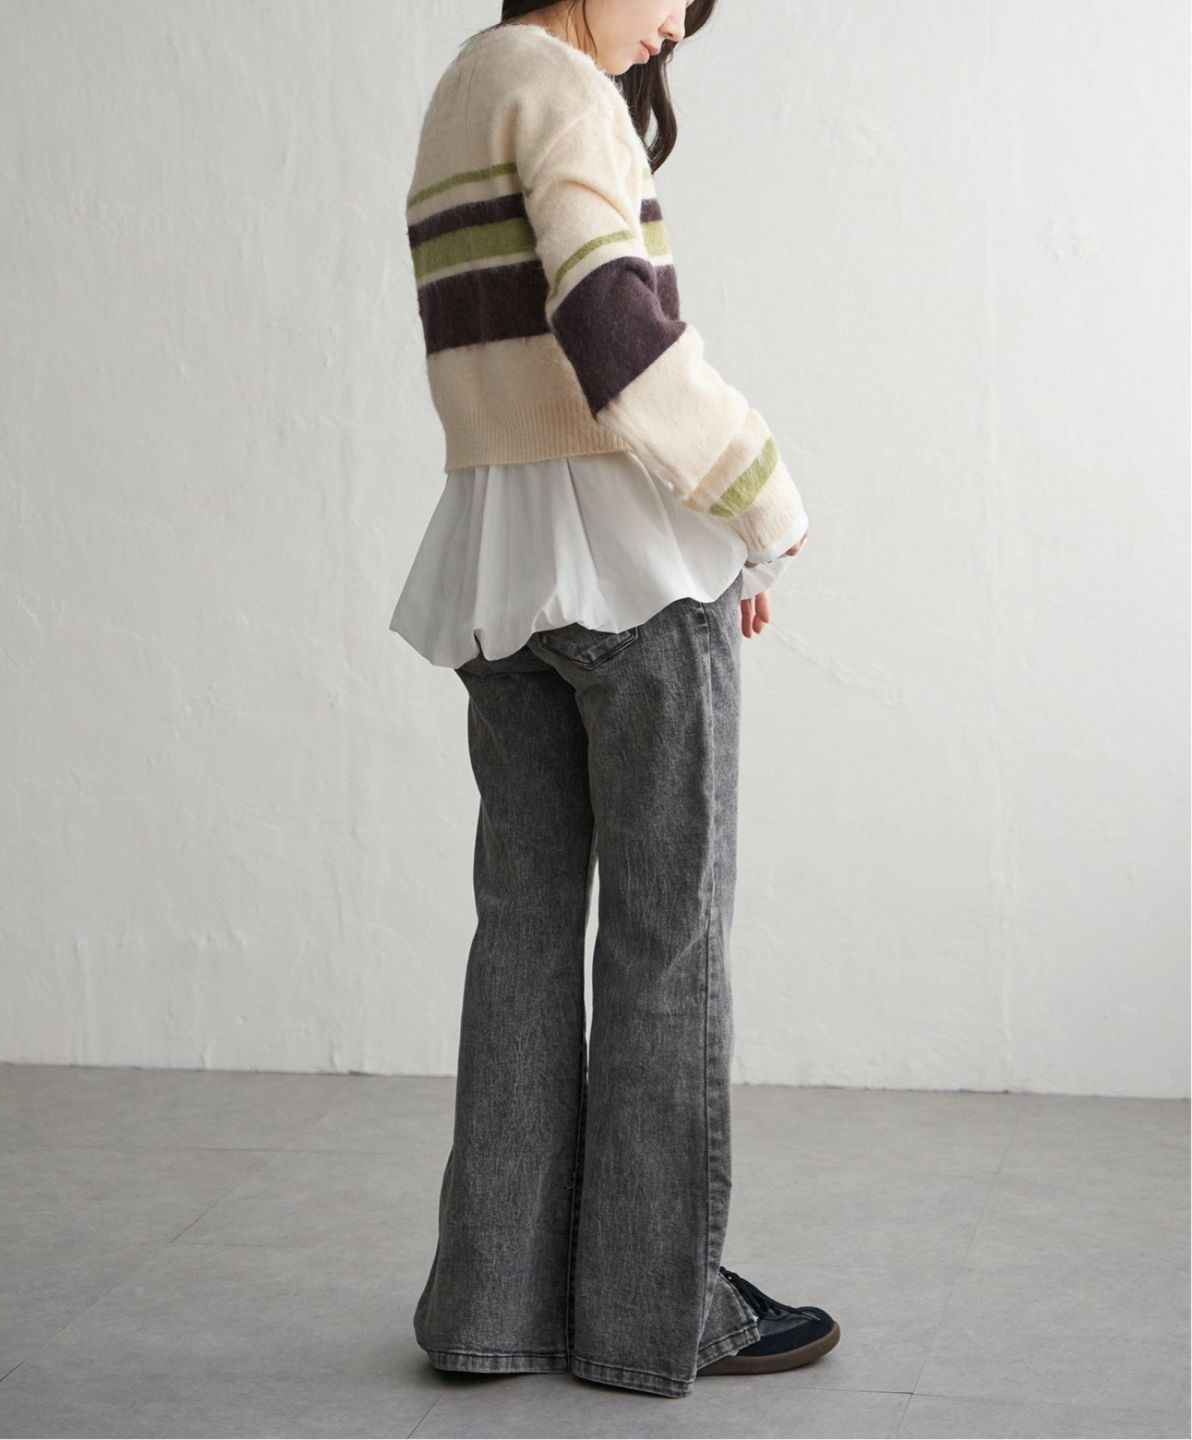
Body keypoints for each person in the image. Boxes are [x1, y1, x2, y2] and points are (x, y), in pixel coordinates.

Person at [391, 0, 840, 1401]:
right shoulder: (566, 90)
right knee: (664, 940)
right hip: (627, 572)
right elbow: (616, 334)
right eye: (671, 5)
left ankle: (493, 1306)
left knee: (522, 937)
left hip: (499, 565)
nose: (668, 33)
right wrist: (762, 504)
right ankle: (655, 1313)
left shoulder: (464, 88)